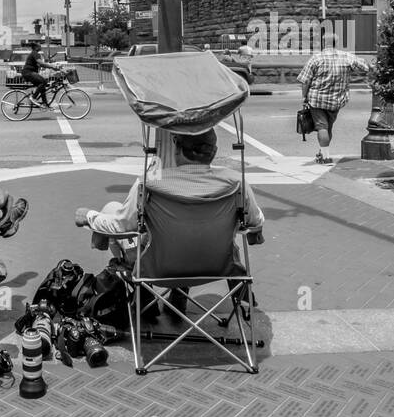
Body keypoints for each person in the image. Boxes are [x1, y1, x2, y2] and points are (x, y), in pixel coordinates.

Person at [75, 129, 264, 314]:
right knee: (212, 232)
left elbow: (120, 226)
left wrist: (89, 216)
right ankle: (181, 291)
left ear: (177, 149)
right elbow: (255, 222)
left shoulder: (149, 183)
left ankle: (144, 292)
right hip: (218, 267)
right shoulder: (236, 183)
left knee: (111, 209)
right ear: (214, 152)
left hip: (157, 268)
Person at [297, 48, 371, 164]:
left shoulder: (316, 58)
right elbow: (366, 67)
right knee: (328, 127)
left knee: (322, 127)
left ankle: (325, 157)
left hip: (317, 99)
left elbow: (305, 81)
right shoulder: (347, 57)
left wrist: (304, 97)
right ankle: (322, 153)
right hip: (336, 100)